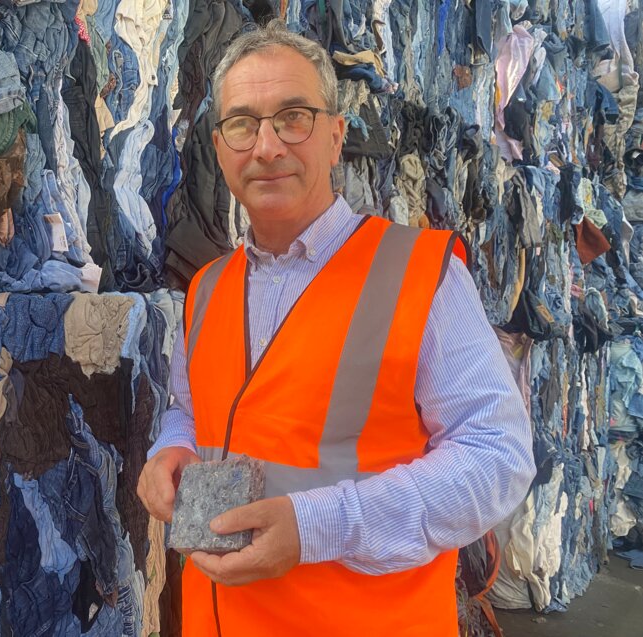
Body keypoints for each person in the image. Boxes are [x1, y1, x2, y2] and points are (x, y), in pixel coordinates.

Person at [137, 19, 535, 636]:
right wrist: (171, 448)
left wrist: (320, 526)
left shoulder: (419, 274)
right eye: (242, 123)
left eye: (292, 117)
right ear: (219, 148)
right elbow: (193, 412)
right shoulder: (207, 287)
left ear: (335, 137)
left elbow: (497, 458)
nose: (266, 146)